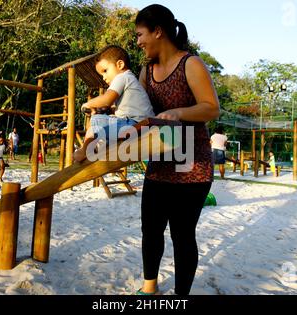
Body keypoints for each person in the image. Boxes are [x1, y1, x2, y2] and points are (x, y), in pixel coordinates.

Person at [135, 4, 220, 295]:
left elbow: (211, 108)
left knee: (182, 236)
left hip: (192, 167)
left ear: (158, 31)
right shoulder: (146, 71)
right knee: (151, 230)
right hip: (159, 163)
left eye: (140, 34)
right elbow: (141, 114)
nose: (138, 42)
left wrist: (179, 113)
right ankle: (149, 289)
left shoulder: (191, 64)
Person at [73, 45, 155, 162]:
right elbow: (115, 107)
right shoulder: (129, 79)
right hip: (137, 123)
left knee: (96, 121)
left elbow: (107, 100)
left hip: (135, 124)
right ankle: (98, 147)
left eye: (105, 71)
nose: (104, 78)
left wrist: (88, 104)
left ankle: (85, 150)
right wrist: (104, 110)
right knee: (103, 119)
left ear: (120, 65)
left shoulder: (122, 77)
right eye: (102, 75)